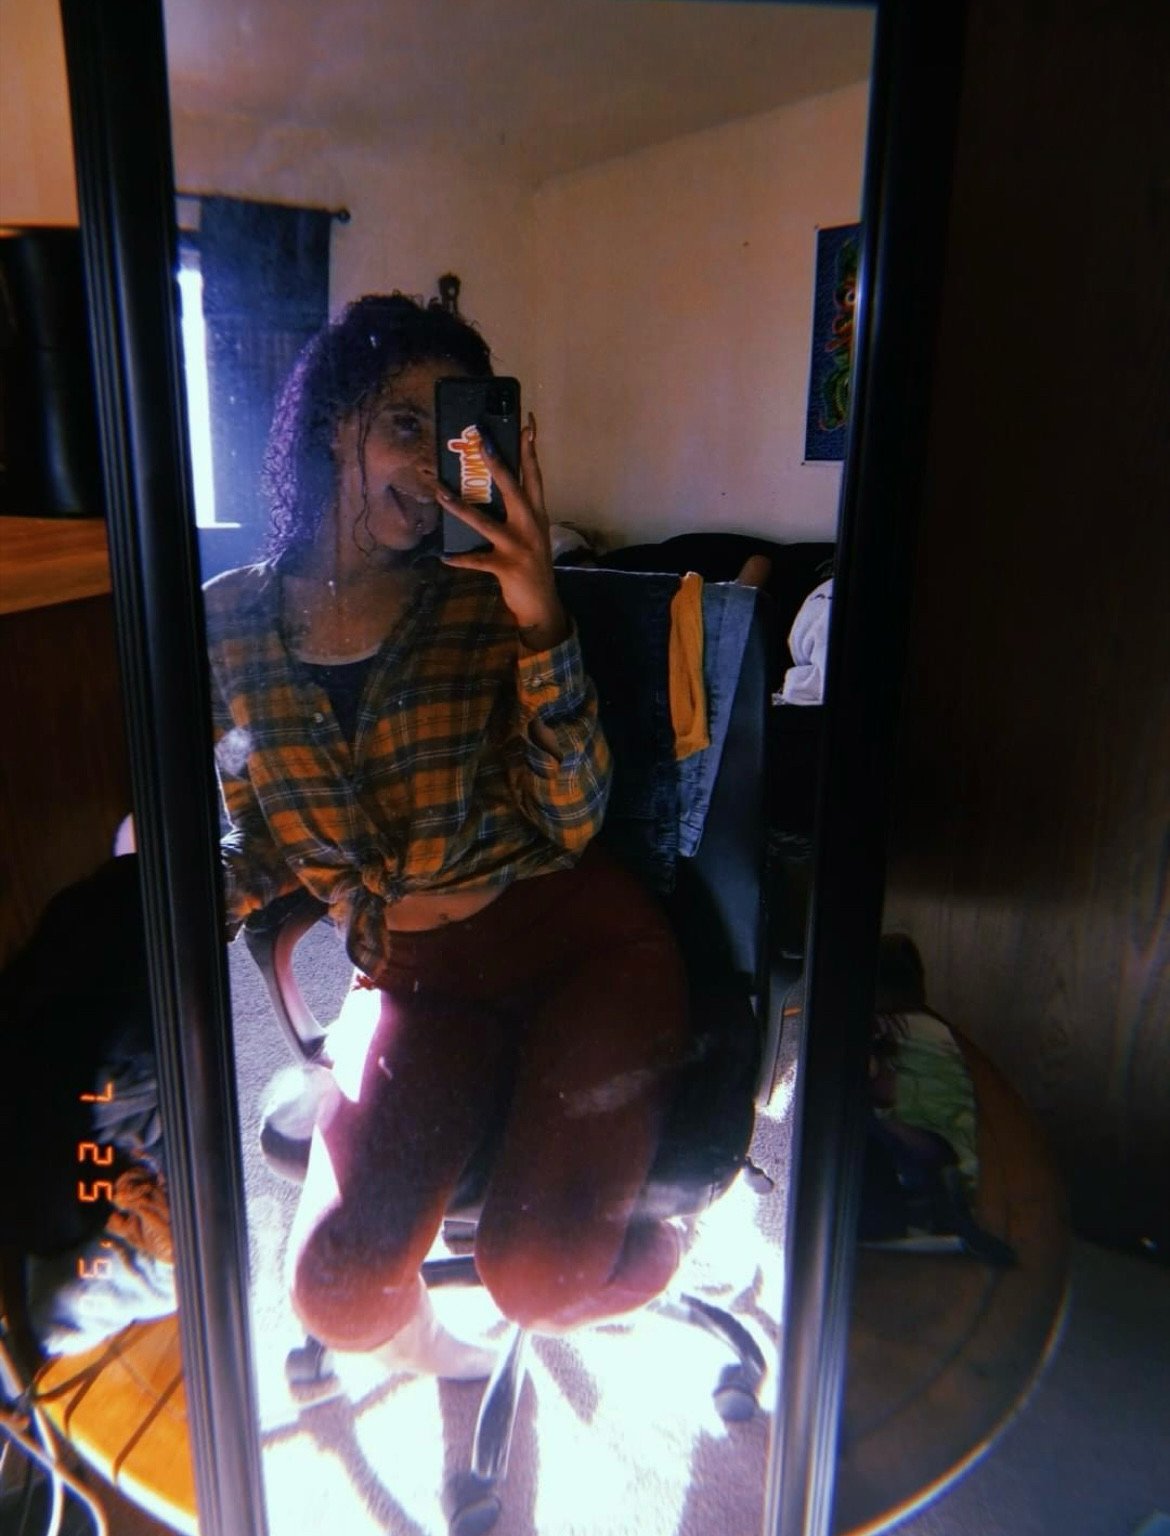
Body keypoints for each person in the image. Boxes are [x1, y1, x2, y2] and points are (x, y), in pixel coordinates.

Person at [202, 293, 690, 1379]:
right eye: (402, 426)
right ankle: (444, 1329)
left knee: (542, 1279)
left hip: (577, 948)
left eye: (456, 436)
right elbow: (260, 834)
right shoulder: (227, 625)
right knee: (335, 1290)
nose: (432, 470)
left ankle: (662, 1226)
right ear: (333, 426)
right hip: (414, 981)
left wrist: (541, 613)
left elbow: (573, 821)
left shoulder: (482, 602)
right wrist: (179, 891)